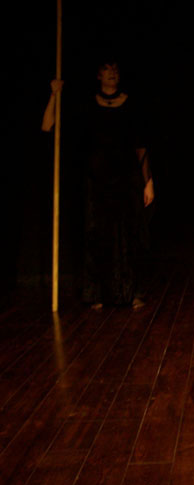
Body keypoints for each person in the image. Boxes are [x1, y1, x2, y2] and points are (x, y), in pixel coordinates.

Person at [41, 56, 154, 309]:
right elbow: (48, 126)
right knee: (97, 235)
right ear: (98, 75)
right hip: (97, 181)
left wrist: (148, 181)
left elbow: (141, 144)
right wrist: (54, 94)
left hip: (127, 180)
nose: (112, 72)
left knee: (130, 234)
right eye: (107, 69)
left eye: (115, 68)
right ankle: (97, 294)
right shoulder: (87, 106)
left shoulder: (130, 105)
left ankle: (133, 292)